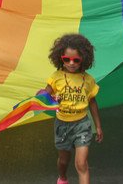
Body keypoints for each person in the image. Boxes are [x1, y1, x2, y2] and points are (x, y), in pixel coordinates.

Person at [45, 33, 103, 184]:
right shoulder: (56, 77)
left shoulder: (88, 80)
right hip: (62, 124)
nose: (71, 63)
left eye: (76, 60)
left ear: (83, 59)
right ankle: (63, 178)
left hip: (82, 125)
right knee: (64, 161)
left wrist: (98, 126)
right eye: (67, 59)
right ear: (60, 58)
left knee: (81, 163)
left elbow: (92, 103)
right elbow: (43, 96)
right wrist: (51, 98)